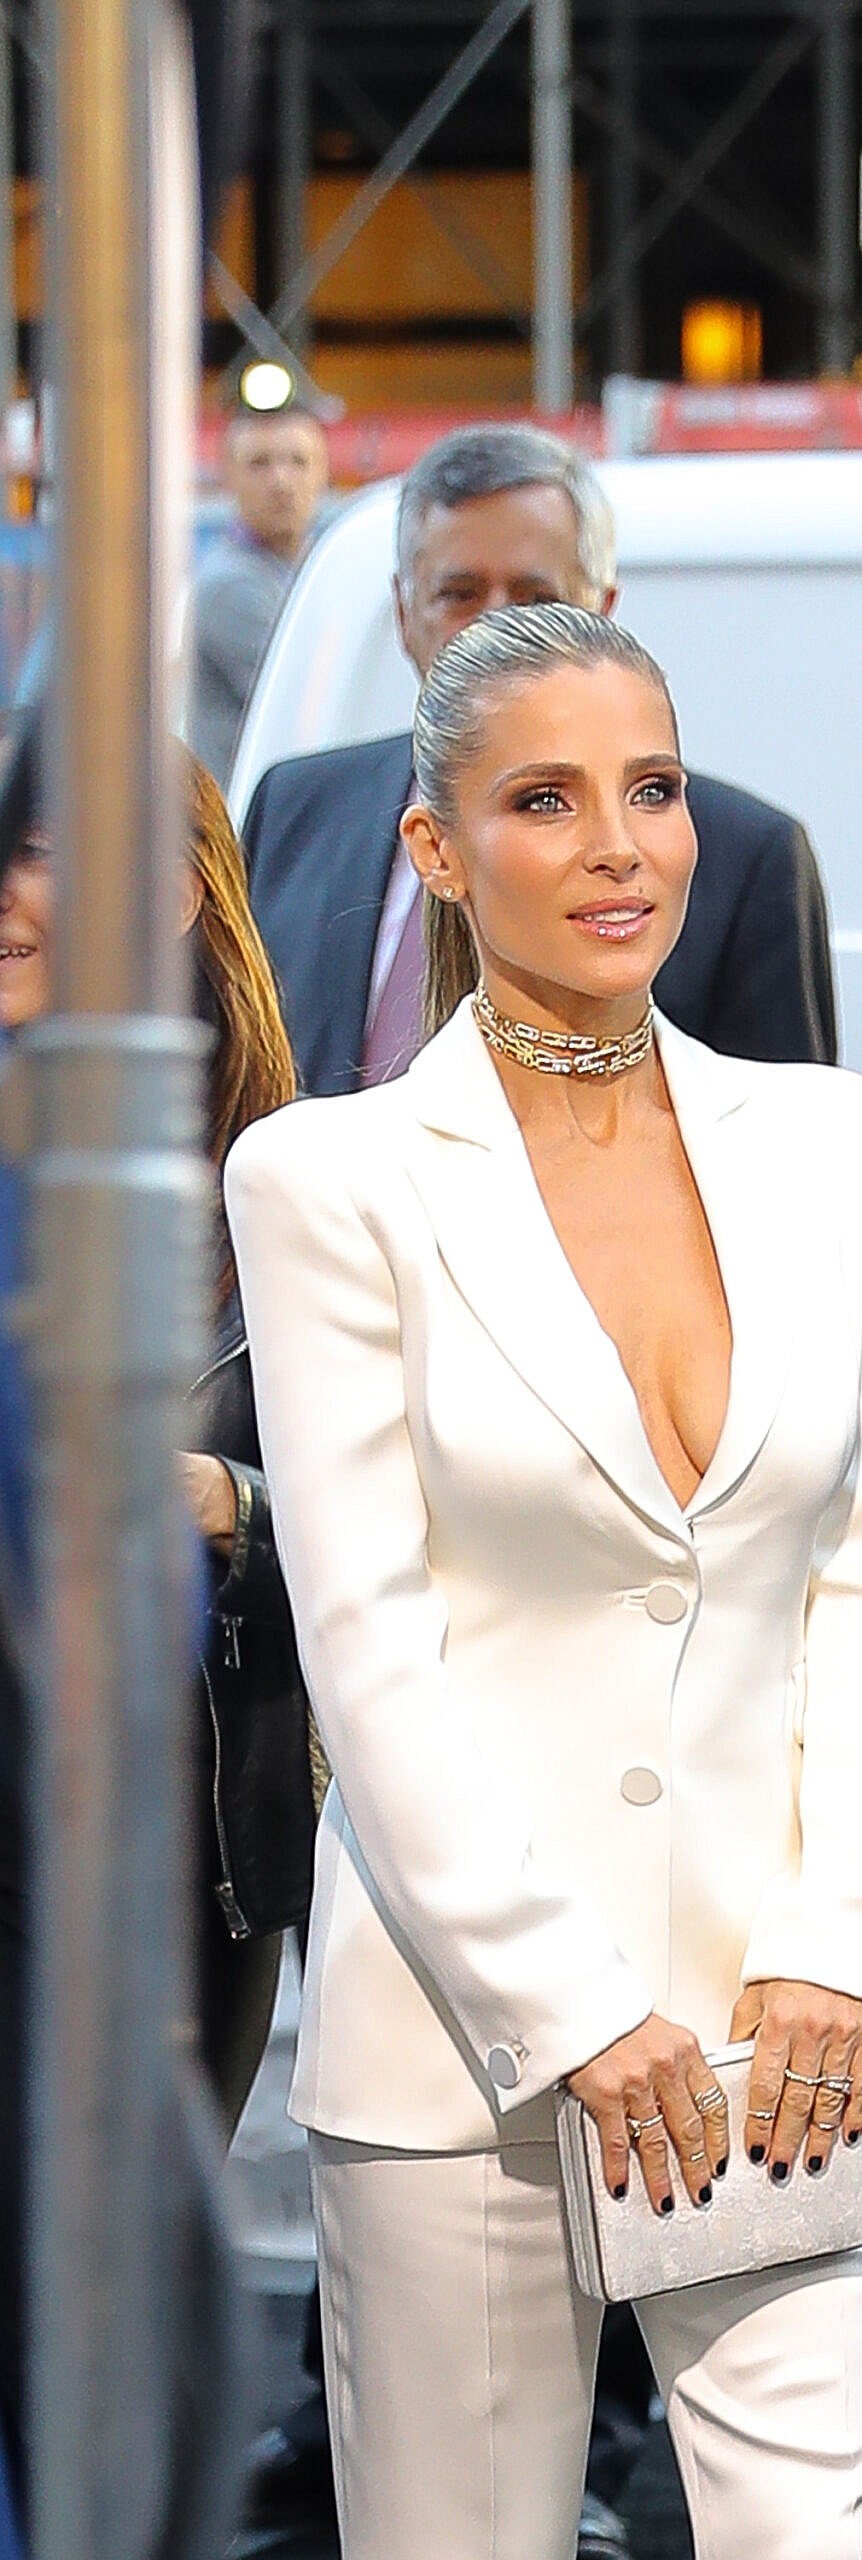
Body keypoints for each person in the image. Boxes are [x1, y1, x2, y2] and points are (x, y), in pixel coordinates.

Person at [225, 602, 862, 2560]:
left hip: (777, 2034)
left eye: (653, 788)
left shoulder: (816, 1140)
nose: (621, 842)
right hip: (470, 2050)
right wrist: (572, 2006)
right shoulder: (328, 1180)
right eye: (547, 798)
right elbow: (365, 1638)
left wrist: (832, 1944)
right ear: (436, 847)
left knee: (810, 2541)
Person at [0, 747, 309, 2125]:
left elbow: (420, 1535)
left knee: (121, 2316)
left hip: (171, 1847)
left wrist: (225, 1503)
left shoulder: (294, 1188)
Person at [242, 421, 838, 1097]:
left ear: (603, 611)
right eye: (459, 595)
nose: (498, 628)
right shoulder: (294, 810)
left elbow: (780, 1169)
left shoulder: (743, 862)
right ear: (405, 613)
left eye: (535, 599)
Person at [188, 399, 329, 786]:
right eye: (259, 463)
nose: (281, 481)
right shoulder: (228, 586)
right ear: (227, 476)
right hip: (248, 827)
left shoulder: (316, 568)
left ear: (324, 472)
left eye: (298, 461)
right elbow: (315, 703)